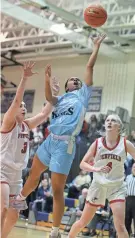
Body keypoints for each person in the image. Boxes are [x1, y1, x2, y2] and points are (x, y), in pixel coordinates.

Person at [11, 34, 106, 238]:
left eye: (76, 80)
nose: (74, 80)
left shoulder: (83, 95)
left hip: (65, 145)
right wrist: (46, 78)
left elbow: (89, 69)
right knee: (34, 173)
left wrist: (95, 47)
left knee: (56, 189)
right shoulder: (60, 99)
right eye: (71, 80)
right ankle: (19, 198)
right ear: (67, 86)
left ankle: (55, 231)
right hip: (49, 141)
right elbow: (47, 97)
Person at [0, 62, 59, 238]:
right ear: (13, 110)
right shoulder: (8, 123)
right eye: (21, 106)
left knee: (14, 214)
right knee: (3, 208)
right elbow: (17, 100)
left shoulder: (26, 125)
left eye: (26, 106)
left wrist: (53, 93)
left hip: (17, 176)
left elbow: (43, 114)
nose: (23, 107)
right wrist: (24, 78)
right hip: (2, 172)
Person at [68, 114, 135, 238]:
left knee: (120, 226)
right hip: (98, 185)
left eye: (113, 120)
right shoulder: (97, 143)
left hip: (117, 187)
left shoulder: (125, 143)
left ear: (119, 126)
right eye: (107, 120)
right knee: (83, 222)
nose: (109, 122)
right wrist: (96, 168)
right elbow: (82, 164)